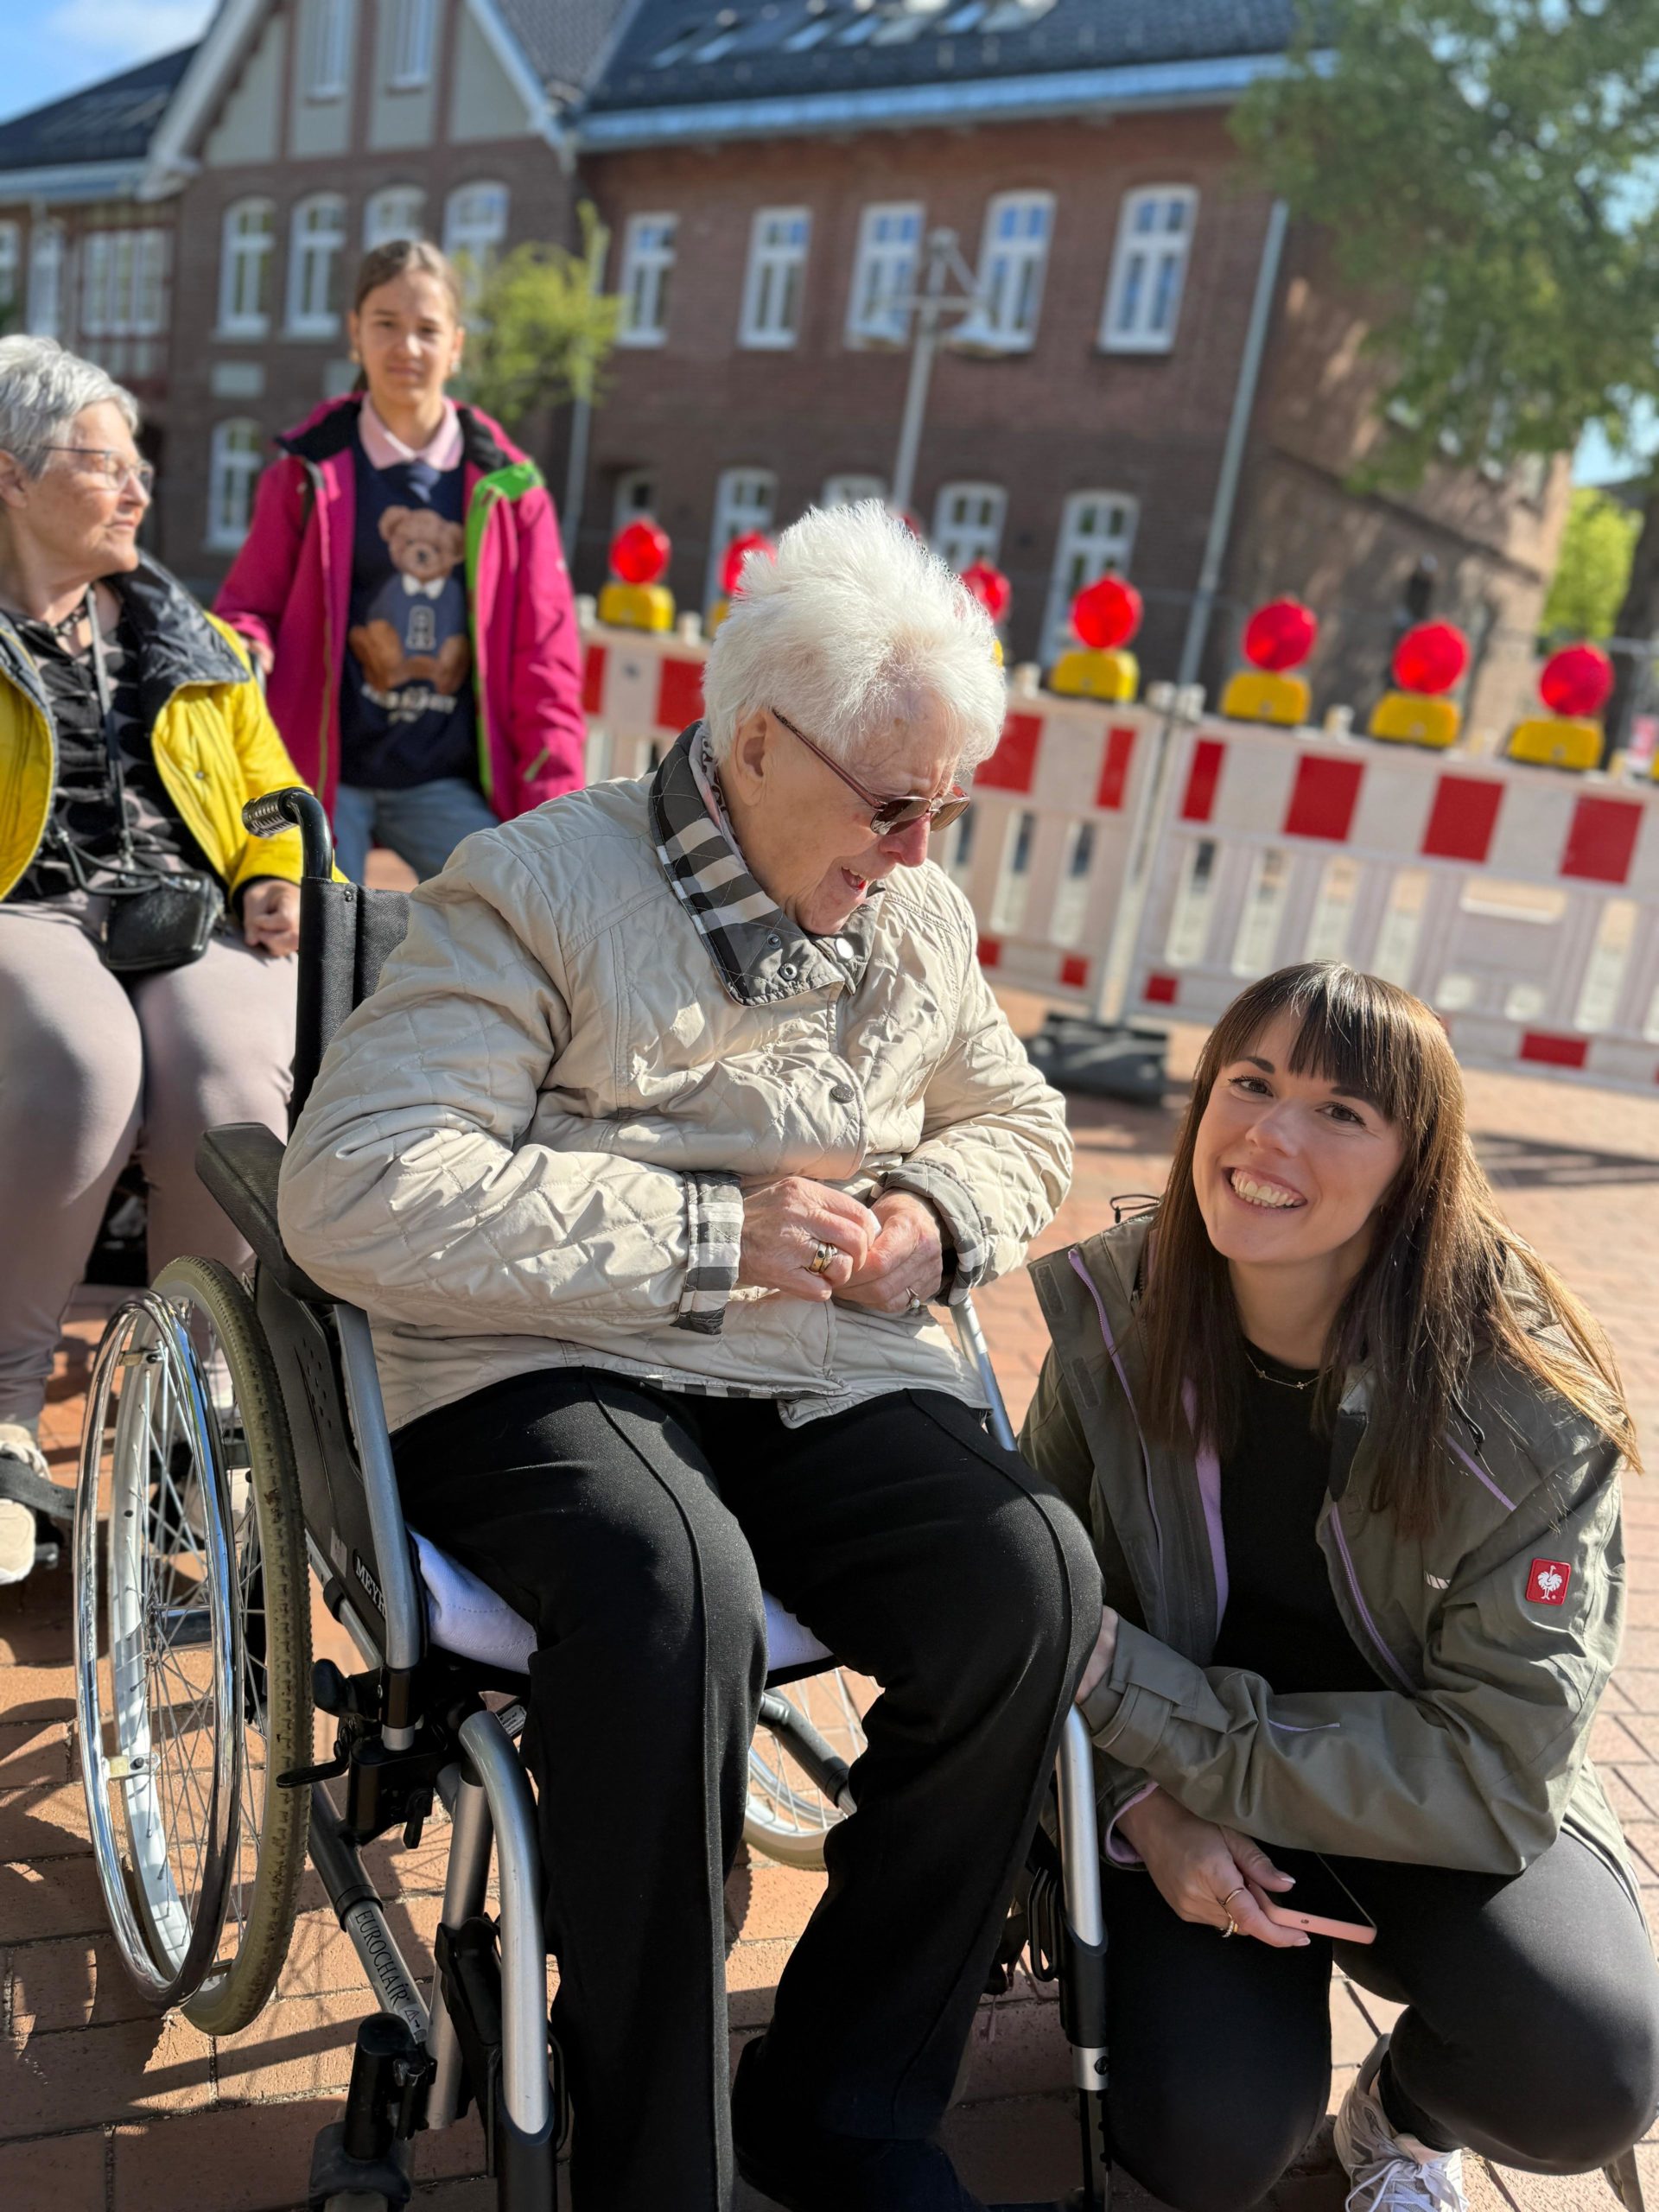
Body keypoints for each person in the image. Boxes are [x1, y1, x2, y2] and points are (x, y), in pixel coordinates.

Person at [279, 502, 1100, 2212]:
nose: (918, 846)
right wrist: (707, 1234)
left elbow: (1021, 1121)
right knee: (673, 1586)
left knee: (1029, 1580)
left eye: (944, 804)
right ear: (756, 741)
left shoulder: (915, 920)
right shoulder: (539, 884)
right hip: (540, 1355)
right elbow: (357, 1183)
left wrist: (938, 1212)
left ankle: (845, 2103)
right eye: (892, 803)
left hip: (814, 1364)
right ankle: (649, 2163)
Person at [1021, 961, 1659, 2212]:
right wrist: (1143, 1807)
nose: (1271, 1134)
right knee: (1204, 2142)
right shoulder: (1121, 1316)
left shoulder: (1523, 1406)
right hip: (1187, 1799)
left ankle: (1403, 2120)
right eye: (1250, 1083)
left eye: (1340, 1110)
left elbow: (1498, 1765)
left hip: (1421, 1807)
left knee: (1588, 2065)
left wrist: (1167, 1722)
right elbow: (1034, 1603)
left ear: (1416, 1169)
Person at [0, 337, 309, 1584]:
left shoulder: (190, 638)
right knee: (88, 1062)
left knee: (232, 1077)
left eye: (140, 468)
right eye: (104, 465)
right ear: (12, 475)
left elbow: (272, 787)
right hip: (26, 909)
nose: (137, 491)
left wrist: (272, 870)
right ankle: (5, 1410)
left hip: (187, 914)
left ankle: (188, 1409)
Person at [215, 238, 585, 886]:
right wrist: (247, 644)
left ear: (457, 345)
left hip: (446, 779)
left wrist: (557, 817)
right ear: (355, 333)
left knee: (517, 906)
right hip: (325, 777)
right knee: (322, 928)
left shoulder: (511, 491)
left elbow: (546, 663)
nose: (406, 347)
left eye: (427, 330)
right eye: (385, 324)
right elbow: (250, 607)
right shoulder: (302, 472)